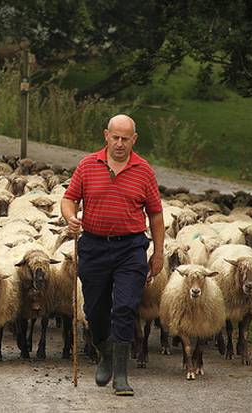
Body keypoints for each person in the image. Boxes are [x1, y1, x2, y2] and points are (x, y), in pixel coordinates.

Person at [61, 114, 164, 396]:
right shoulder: (87, 165)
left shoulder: (144, 170)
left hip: (130, 247)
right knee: (94, 311)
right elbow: (69, 198)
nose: (119, 144)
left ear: (134, 139)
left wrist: (158, 252)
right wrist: (70, 217)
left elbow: (155, 213)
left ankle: (121, 374)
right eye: (115, 137)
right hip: (93, 246)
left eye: (125, 138)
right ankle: (105, 353)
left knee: (125, 307)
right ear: (106, 135)